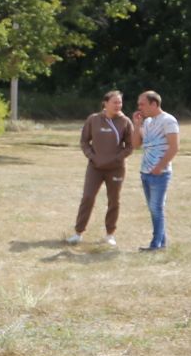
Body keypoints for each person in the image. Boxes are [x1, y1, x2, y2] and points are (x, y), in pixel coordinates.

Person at [69, 90, 133, 246]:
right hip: (95, 168)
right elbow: (84, 142)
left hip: (116, 168)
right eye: (115, 102)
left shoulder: (125, 122)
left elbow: (130, 146)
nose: (118, 105)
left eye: (120, 102)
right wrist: (92, 156)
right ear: (105, 103)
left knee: (114, 200)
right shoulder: (93, 119)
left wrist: (117, 158)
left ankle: (110, 234)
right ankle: (78, 233)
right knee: (88, 197)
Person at [133, 90, 179, 252]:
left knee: (156, 208)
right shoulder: (148, 122)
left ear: (154, 104)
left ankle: (156, 245)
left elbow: (174, 147)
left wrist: (160, 167)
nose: (139, 107)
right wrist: (137, 124)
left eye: (142, 104)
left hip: (160, 173)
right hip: (145, 172)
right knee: (153, 209)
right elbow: (136, 145)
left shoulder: (168, 120)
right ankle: (162, 242)